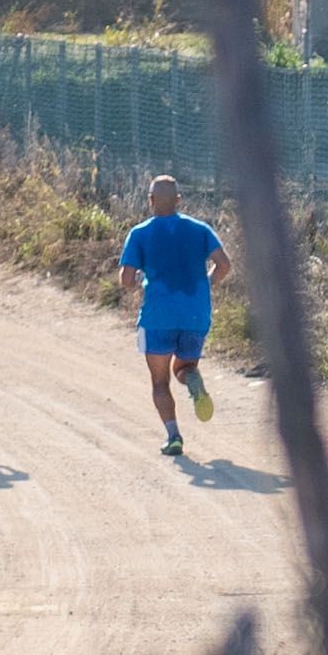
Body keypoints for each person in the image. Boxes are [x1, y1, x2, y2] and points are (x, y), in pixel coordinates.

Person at [115, 173, 229, 459]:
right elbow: (224, 265)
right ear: (179, 200)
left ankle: (174, 436)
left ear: (150, 200)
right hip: (195, 313)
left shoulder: (139, 234)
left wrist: (140, 279)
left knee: (159, 382)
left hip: (157, 315)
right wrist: (206, 283)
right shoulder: (200, 229)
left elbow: (126, 279)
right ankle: (192, 379)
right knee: (184, 367)